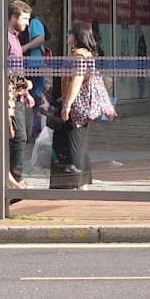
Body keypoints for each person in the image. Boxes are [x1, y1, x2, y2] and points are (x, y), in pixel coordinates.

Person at [52, 22, 106, 189]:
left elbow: (76, 80)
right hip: (83, 105)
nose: (67, 36)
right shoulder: (87, 54)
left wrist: (67, 104)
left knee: (72, 142)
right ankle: (81, 182)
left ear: (76, 36)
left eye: (70, 34)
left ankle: (76, 182)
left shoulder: (78, 55)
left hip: (76, 105)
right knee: (78, 143)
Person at [5, 0, 36, 185]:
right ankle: (14, 180)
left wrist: (25, 92)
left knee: (17, 137)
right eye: (24, 18)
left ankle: (13, 179)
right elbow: (5, 70)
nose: (27, 23)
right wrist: (24, 87)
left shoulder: (14, 38)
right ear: (13, 17)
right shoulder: (7, 39)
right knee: (17, 137)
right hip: (8, 96)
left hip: (16, 94)